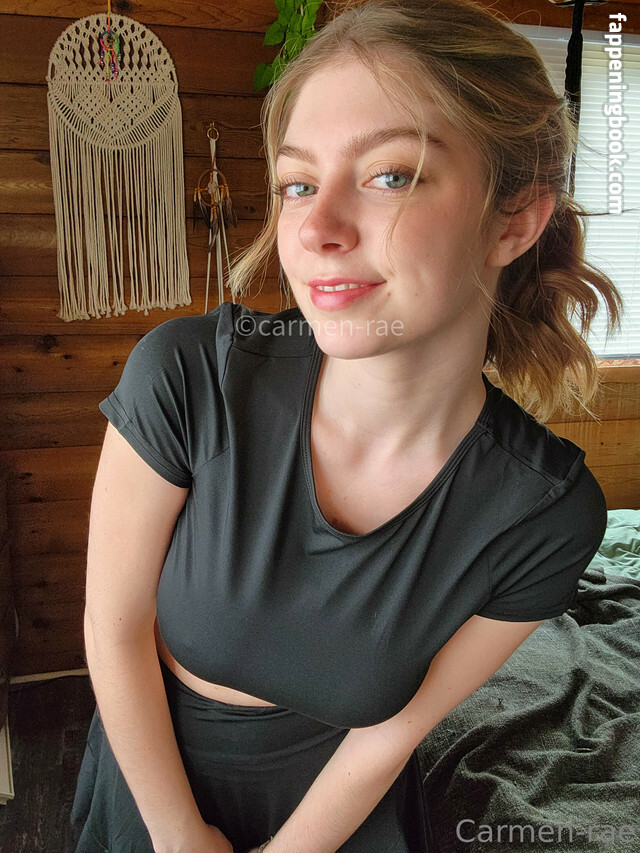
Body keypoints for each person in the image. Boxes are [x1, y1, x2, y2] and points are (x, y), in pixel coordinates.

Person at [71, 0, 622, 851]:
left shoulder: (547, 513)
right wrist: (180, 835)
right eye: (298, 184)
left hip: (343, 814)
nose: (315, 229)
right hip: (151, 785)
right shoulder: (187, 377)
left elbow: (392, 732)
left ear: (514, 219)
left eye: (390, 175)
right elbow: (113, 629)